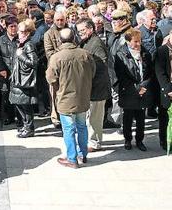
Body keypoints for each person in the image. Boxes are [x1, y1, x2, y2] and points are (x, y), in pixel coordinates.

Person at [46, 28, 96, 168]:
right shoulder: (85, 54)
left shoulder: (56, 57)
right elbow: (93, 72)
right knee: (81, 126)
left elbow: (50, 78)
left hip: (65, 98)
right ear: (74, 38)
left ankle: (72, 158)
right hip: (82, 96)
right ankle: (83, 154)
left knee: (68, 129)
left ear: (60, 40)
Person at [113, 28, 153, 151]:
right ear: (128, 42)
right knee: (128, 117)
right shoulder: (121, 55)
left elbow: (150, 72)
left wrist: (144, 86)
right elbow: (121, 76)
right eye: (135, 41)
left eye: (139, 41)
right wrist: (136, 89)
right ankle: (128, 139)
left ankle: (140, 140)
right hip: (129, 91)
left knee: (141, 118)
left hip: (143, 91)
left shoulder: (145, 53)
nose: (138, 44)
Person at [76, 18, 112, 152]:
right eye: (79, 31)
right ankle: (92, 140)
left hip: (97, 87)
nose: (80, 33)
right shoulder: (86, 42)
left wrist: (88, 76)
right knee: (90, 116)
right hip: (90, 87)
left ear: (91, 29)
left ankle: (94, 142)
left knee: (95, 117)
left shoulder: (96, 43)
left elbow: (102, 64)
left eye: (83, 30)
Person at [10, 19, 39, 138]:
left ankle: (29, 128)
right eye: (19, 31)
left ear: (27, 33)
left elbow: (34, 62)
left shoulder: (29, 44)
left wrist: (21, 55)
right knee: (19, 103)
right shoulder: (21, 43)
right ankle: (25, 126)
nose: (18, 33)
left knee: (25, 105)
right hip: (19, 78)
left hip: (25, 80)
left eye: (21, 31)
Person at [0, 15, 19, 126]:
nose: (13, 29)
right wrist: (1, 69)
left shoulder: (20, 39)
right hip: (6, 72)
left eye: (15, 26)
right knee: (6, 96)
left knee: (18, 96)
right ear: (7, 27)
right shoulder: (2, 40)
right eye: (11, 26)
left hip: (18, 71)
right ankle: (8, 117)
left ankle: (20, 119)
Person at [43, 10, 67, 128]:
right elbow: (49, 53)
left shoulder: (70, 31)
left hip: (68, 69)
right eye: (57, 20)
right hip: (54, 68)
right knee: (54, 94)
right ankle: (55, 117)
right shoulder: (48, 34)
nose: (60, 22)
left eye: (62, 20)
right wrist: (65, 51)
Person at [154, 29, 172, 151]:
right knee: (164, 117)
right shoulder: (162, 51)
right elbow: (160, 73)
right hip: (166, 89)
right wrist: (168, 89)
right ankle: (164, 141)